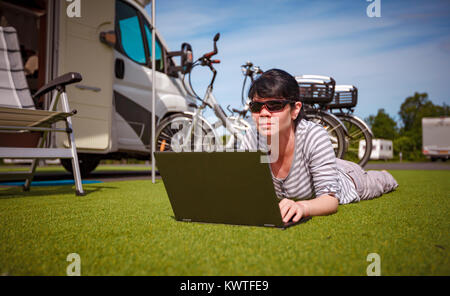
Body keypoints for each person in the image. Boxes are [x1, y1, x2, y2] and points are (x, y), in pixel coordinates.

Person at [240, 69, 398, 223]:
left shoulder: (314, 136)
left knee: (379, 182)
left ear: (295, 110)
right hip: (320, 164)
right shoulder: (251, 140)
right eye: (256, 107)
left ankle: (384, 175)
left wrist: (302, 207)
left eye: (275, 106)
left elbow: (329, 200)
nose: (264, 113)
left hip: (347, 178)